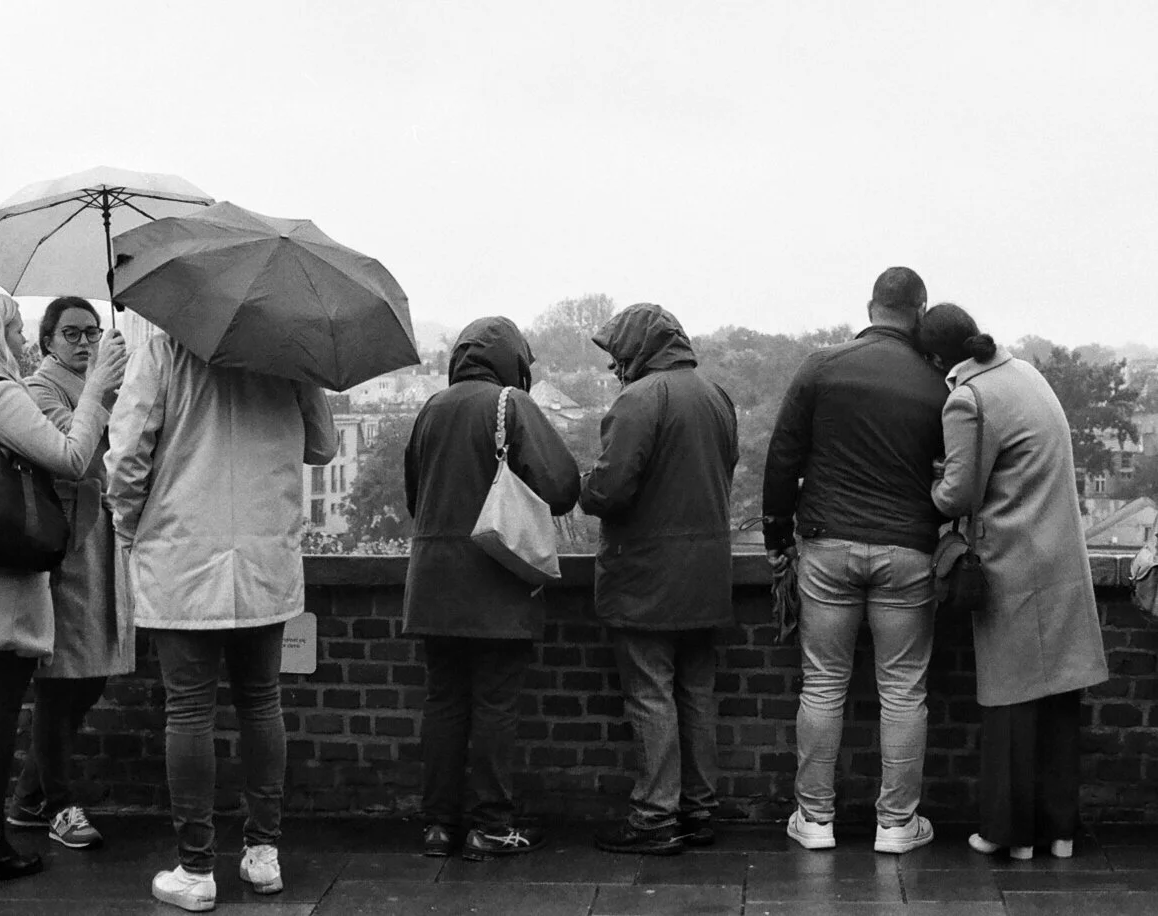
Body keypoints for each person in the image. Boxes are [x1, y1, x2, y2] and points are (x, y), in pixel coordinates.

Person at [105, 329, 336, 911]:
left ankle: (196, 867)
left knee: (188, 708)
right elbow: (325, 446)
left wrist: (130, 527)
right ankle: (263, 854)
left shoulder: (163, 351)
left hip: (181, 554)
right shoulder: (287, 353)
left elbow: (127, 453)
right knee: (262, 701)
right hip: (264, 554)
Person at [0, 290, 126, 885]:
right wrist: (97, 390)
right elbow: (70, 457)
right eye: (13, 329)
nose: (19, 341)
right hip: (1, 572)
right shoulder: (1, 393)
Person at [762, 267, 945, 854]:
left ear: (870, 307)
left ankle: (815, 820)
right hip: (908, 549)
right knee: (903, 691)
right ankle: (896, 826)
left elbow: (783, 455)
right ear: (919, 310)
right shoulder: (937, 384)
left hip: (827, 542)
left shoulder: (822, 366)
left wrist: (775, 536)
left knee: (822, 684)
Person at [919, 303, 1108, 860]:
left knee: (1010, 702)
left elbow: (960, 495)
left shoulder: (967, 399)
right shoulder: (1024, 372)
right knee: (1057, 703)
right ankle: (1061, 832)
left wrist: (929, 485)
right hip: (1060, 557)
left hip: (1014, 562)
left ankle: (1010, 834)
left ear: (936, 359)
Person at [403, 317, 581, 862]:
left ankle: (438, 826)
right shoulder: (510, 404)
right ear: (515, 361)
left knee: (444, 705)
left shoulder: (431, 409)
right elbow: (562, 487)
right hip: (495, 586)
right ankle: (492, 825)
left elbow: (415, 496)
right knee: (495, 708)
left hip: (433, 585)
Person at [579, 302, 738, 856]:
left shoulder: (639, 400)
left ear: (637, 351)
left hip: (647, 576)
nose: (613, 367)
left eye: (617, 355)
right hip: (708, 575)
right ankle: (698, 810)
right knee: (696, 694)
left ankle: (654, 816)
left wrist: (584, 486)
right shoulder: (716, 396)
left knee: (649, 694)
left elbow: (611, 490)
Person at [6, 297, 135, 850]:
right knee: (62, 680)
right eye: (72, 333)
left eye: (92, 332)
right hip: (68, 548)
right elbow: (80, 454)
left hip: (104, 542)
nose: (84, 342)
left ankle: (29, 798)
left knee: (92, 673)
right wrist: (105, 392)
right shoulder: (39, 389)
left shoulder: (100, 387)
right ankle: (54, 804)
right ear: (48, 341)